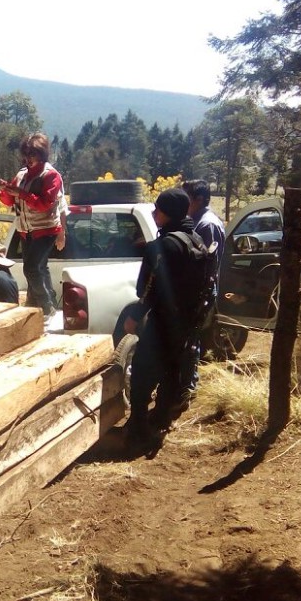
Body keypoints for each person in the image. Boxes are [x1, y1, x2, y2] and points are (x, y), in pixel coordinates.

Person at [120, 188, 208, 455]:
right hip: (188, 323)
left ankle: (137, 427)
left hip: (161, 323)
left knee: (142, 376)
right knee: (172, 372)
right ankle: (159, 419)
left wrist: (135, 315)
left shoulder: (162, 246)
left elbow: (148, 287)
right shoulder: (196, 242)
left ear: (167, 213)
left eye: (157, 209)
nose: (154, 213)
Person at [0, 132, 64, 317]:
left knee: (31, 268)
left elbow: (44, 204)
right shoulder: (21, 175)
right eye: (25, 154)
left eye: (32, 154)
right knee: (39, 267)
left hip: (46, 229)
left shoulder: (51, 176)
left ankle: (46, 305)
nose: (28, 159)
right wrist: (6, 192)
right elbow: (10, 201)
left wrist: (20, 193)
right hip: (26, 230)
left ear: (42, 154)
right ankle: (34, 303)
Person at [182, 180, 225, 392]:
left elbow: (208, 264)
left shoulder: (207, 225)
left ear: (198, 200)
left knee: (191, 340)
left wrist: (199, 295)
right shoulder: (196, 221)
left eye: (186, 197)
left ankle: (189, 387)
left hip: (202, 290)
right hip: (197, 289)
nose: (183, 201)